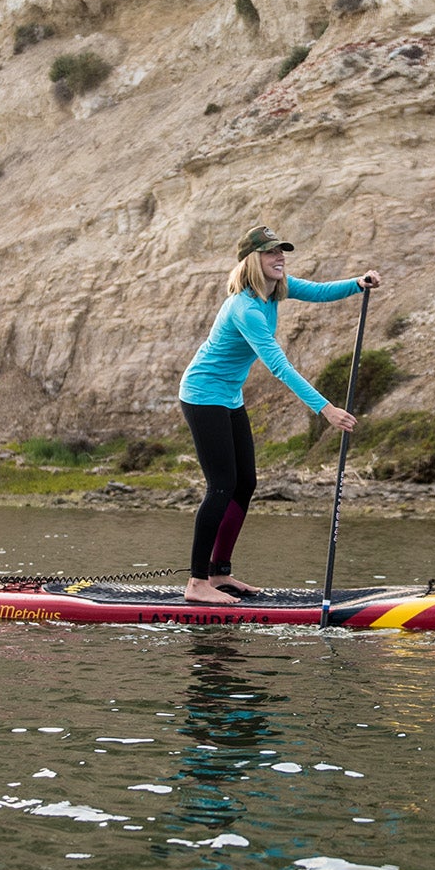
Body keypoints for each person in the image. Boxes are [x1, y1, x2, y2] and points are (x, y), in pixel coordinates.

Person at [178, 225, 382, 605]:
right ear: (252, 261)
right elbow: (280, 367)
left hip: (229, 397)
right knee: (221, 486)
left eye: (281, 251)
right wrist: (327, 409)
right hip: (202, 395)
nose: (280, 258)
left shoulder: (278, 289)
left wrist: (357, 283)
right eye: (271, 253)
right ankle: (197, 582)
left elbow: (320, 291)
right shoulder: (246, 308)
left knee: (246, 483)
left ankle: (221, 573)